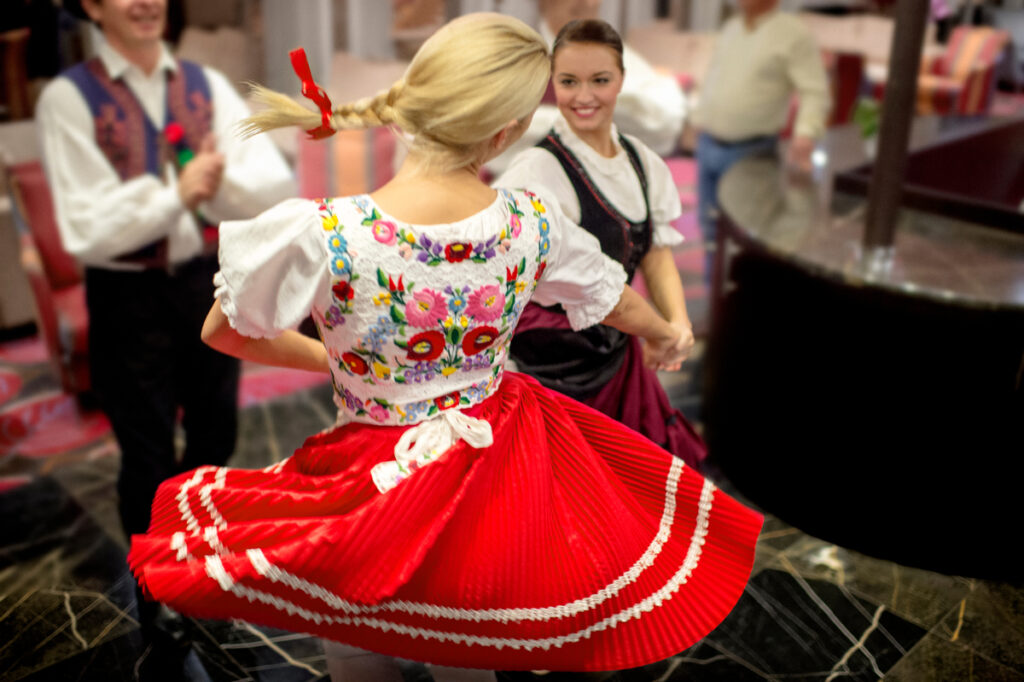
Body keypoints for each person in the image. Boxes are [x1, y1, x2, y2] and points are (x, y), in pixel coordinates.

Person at [126, 12, 762, 679]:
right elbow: (613, 296)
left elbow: (224, 330)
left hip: (367, 463)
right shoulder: (530, 223)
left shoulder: (327, 231)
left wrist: (336, 362)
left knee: (357, 629)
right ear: (503, 133)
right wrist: (663, 331)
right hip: (490, 463)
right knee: (470, 632)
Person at [35, 0, 295, 641]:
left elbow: (269, 185)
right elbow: (86, 228)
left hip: (206, 282)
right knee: (147, 455)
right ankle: (153, 587)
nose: (146, 1)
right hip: (127, 298)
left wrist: (213, 185)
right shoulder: (69, 100)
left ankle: (204, 569)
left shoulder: (205, 87)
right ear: (93, 6)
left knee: (217, 437)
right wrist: (180, 192)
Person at [496, 18, 704, 470]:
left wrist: (679, 324)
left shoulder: (643, 162)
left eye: (600, 80)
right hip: (547, 369)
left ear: (621, 81)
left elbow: (654, 251)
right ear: (553, 84)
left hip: (619, 350)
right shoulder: (535, 173)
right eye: (569, 81)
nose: (584, 96)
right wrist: (659, 331)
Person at [692, 0, 829, 275]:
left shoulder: (792, 33)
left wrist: (806, 134)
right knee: (709, 231)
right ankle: (714, 301)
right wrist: (697, 118)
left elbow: (815, 90)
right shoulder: (731, 27)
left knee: (741, 238)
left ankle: (737, 308)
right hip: (708, 145)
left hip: (750, 153)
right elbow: (715, 80)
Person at [484, 0, 686, 176]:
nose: (591, 2)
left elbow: (666, 125)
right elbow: (496, 141)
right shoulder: (520, 62)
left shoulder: (618, 55)